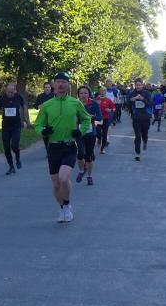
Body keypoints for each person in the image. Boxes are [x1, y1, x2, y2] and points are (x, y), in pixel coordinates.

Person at [34, 72, 91, 223]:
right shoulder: (47, 105)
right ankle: (63, 208)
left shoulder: (75, 103)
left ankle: (66, 205)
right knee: (56, 183)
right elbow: (38, 124)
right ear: (54, 84)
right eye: (58, 82)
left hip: (69, 146)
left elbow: (86, 119)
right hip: (53, 147)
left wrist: (80, 131)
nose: (60, 84)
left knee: (64, 178)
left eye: (64, 82)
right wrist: (43, 131)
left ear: (68, 85)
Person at [0, 82, 27, 175]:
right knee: (6, 148)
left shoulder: (18, 97)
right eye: (8, 92)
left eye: (12, 92)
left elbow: (24, 106)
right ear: (6, 91)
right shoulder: (2, 98)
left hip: (16, 125)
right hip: (6, 126)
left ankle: (17, 157)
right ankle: (11, 167)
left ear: (15, 91)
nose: (10, 94)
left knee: (14, 145)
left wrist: (24, 119)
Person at [75, 86, 102, 186]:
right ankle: (82, 170)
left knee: (89, 156)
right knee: (80, 154)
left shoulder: (94, 104)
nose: (83, 95)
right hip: (79, 132)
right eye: (81, 93)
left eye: (85, 93)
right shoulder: (75, 104)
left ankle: (89, 176)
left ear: (89, 94)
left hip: (91, 132)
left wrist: (92, 117)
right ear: (78, 94)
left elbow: (100, 117)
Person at [128, 78, 152, 161]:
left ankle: (145, 141)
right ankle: (137, 154)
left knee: (144, 134)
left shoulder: (147, 93)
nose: (138, 86)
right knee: (137, 136)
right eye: (136, 85)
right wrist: (133, 99)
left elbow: (150, 103)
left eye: (139, 85)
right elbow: (127, 102)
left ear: (142, 85)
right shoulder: (132, 93)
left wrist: (143, 99)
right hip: (136, 118)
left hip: (146, 117)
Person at [96, 86, 116, 154]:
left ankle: (102, 148)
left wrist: (110, 110)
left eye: (104, 91)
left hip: (105, 119)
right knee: (98, 133)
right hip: (98, 119)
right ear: (99, 92)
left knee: (104, 135)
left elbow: (114, 108)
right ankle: (99, 138)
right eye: (101, 91)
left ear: (105, 92)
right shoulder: (96, 100)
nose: (102, 92)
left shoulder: (108, 100)